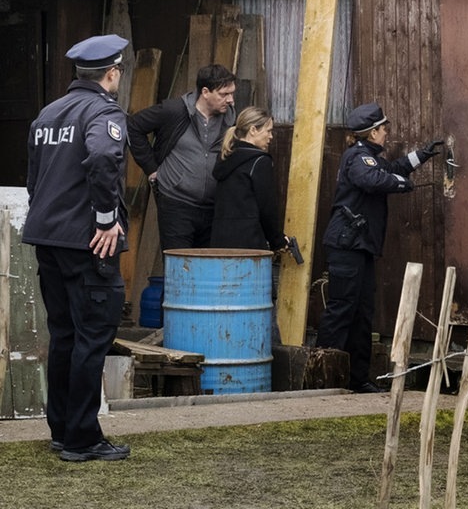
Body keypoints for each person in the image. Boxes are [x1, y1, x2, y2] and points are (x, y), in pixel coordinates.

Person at [23, 34, 131, 461]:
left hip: (48, 236)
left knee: (65, 335)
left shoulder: (48, 114)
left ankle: (63, 429)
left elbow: (35, 178)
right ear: (111, 72)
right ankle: (83, 438)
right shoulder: (104, 112)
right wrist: (106, 219)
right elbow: (105, 159)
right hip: (88, 241)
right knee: (92, 336)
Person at [316, 102, 443, 393]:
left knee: (362, 313)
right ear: (373, 133)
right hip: (347, 246)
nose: (387, 133)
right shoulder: (358, 158)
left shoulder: (369, 156)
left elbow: (394, 168)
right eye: (384, 129)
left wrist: (421, 155)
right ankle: (323, 377)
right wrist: (402, 185)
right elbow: (373, 180)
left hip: (360, 247)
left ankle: (356, 379)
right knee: (341, 310)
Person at [127, 64, 236, 251]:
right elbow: (133, 126)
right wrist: (151, 168)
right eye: (224, 94)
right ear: (205, 92)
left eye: (232, 93)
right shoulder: (174, 110)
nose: (230, 100)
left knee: (206, 269)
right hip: (176, 204)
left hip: (213, 208)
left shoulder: (231, 118)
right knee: (178, 266)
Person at [210, 107, 289, 342]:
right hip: (248, 246)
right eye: (268, 130)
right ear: (253, 130)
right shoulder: (259, 162)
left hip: (220, 246)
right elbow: (267, 208)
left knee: (227, 308)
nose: (271, 136)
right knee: (259, 309)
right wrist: (277, 240)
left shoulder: (226, 159)